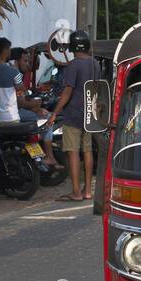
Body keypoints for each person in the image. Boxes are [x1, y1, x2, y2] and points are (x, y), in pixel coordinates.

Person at [50, 30, 100, 201]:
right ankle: (87, 191)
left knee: (72, 152)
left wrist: (55, 112)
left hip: (73, 114)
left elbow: (68, 91)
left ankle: (76, 192)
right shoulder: (95, 63)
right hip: (90, 114)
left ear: (72, 46)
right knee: (87, 151)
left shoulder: (73, 65)